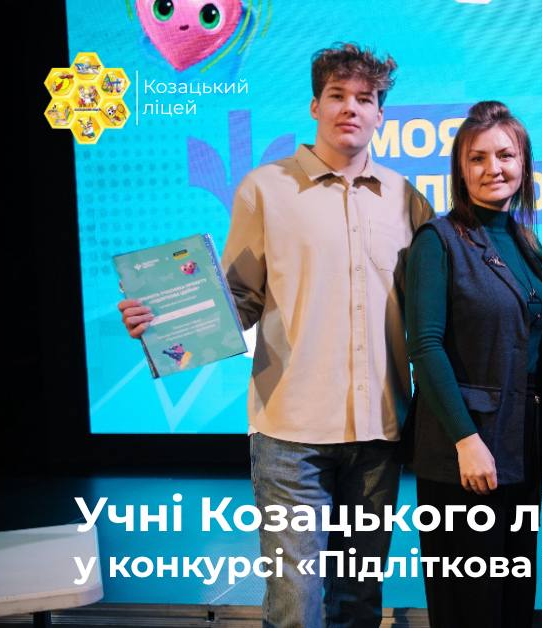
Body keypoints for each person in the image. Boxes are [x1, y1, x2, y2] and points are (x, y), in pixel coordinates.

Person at [118, 43, 433, 628]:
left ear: (380, 114)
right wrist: (161, 323)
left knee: (359, 601)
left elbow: (429, 310)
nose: (350, 108)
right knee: (295, 605)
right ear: (315, 105)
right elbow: (238, 298)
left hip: (379, 431)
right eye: (337, 95)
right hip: (289, 435)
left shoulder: (407, 199)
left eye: (364, 98)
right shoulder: (264, 189)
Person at [403, 100, 542, 628]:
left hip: (522, 447)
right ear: (460, 169)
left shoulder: (525, 241)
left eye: (505, 155)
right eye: (478, 158)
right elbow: (425, 346)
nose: (494, 167)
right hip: (465, 455)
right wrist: (466, 439)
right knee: (469, 607)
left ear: (524, 164)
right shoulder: (438, 239)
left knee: (513, 604)